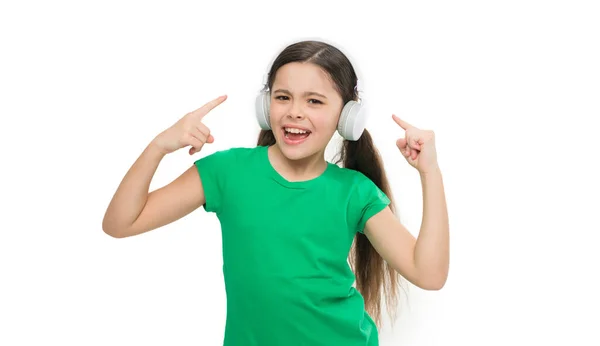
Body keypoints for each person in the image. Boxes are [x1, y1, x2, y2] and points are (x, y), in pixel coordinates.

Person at [102, 40, 449, 346]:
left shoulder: (354, 192)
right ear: (266, 105)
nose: (295, 111)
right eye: (283, 97)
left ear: (347, 117)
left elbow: (429, 274)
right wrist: (159, 146)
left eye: (315, 101)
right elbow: (121, 223)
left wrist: (429, 172)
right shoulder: (228, 172)